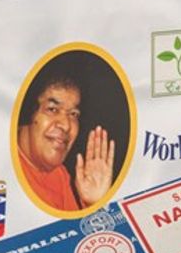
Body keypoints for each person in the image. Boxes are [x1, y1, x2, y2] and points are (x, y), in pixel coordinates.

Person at [17, 70, 115, 212]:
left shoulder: (59, 174)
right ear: (27, 113)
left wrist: (94, 203)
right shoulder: (2, 169)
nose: (66, 125)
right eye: (52, 109)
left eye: (73, 114)